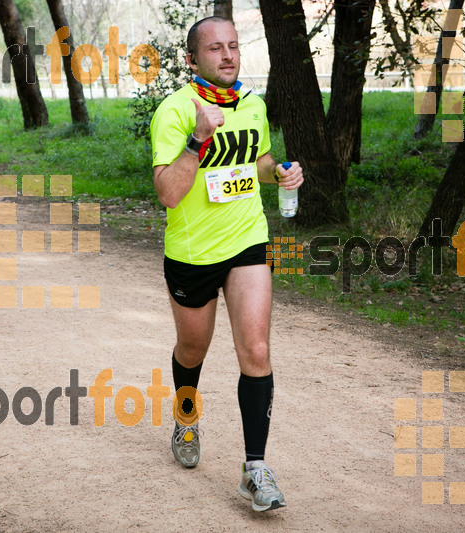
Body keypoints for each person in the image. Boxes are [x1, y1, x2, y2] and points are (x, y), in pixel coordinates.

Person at [150, 16, 304, 512]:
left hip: (247, 242)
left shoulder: (253, 104)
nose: (229, 55)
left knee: (256, 349)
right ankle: (186, 416)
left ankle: (255, 468)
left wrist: (279, 172)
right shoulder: (174, 112)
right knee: (192, 350)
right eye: (215, 49)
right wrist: (198, 138)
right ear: (193, 59)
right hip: (193, 254)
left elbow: (257, 161)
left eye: (234, 46)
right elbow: (170, 194)